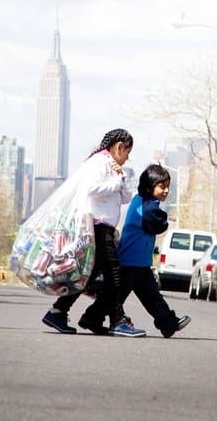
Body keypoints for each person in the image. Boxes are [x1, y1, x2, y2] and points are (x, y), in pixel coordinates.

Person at [41, 128, 146, 337]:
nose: (127, 158)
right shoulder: (99, 162)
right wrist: (116, 182)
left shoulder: (111, 165)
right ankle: (117, 321)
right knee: (114, 276)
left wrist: (121, 177)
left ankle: (59, 312)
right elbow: (91, 189)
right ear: (119, 147)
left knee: (86, 276)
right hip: (98, 227)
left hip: (104, 228)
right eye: (127, 152)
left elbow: (124, 197)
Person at [82, 164, 191, 338]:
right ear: (149, 187)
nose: (166, 191)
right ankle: (92, 317)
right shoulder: (146, 206)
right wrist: (166, 221)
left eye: (167, 186)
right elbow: (158, 224)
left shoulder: (141, 201)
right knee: (117, 296)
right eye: (162, 186)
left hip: (139, 261)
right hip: (131, 261)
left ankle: (168, 323)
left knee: (150, 295)